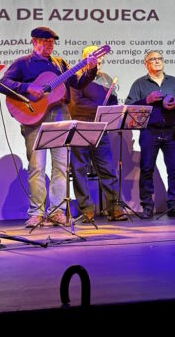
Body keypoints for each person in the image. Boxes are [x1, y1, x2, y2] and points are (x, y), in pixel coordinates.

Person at [0, 27, 95, 227]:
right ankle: (36, 213)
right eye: (46, 41)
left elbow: (78, 83)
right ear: (34, 41)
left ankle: (57, 211)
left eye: (52, 41)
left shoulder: (60, 63)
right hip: (34, 118)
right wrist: (27, 87)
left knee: (61, 166)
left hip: (60, 114)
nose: (50, 44)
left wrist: (91, 69)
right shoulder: (23, 63)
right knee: (37, 167)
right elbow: (2, 83)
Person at [125, 50, 175, 218]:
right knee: (147, 169)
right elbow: (129, 106)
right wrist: (146, 101)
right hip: (149, 131)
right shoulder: (139, 84)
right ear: (146, 64)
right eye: (153, 59)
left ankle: (174, 205)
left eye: (159, 58)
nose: (157, 61)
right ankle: (147, 206)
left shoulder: (173, 82)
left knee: (174, 169)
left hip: (171, 130)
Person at [68, 45, 125, 222]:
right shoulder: (76, 78)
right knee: (79, 169)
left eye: (100, 62)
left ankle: (114, 207)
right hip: (81, 127)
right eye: (95, 62)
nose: (98, 65)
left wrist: (113, 109)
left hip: (101, 128)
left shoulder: (106, 78)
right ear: (85, 60)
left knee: (107, 168)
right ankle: (87, 209)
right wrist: (101, 108)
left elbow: (113, 102)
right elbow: (76, 105)